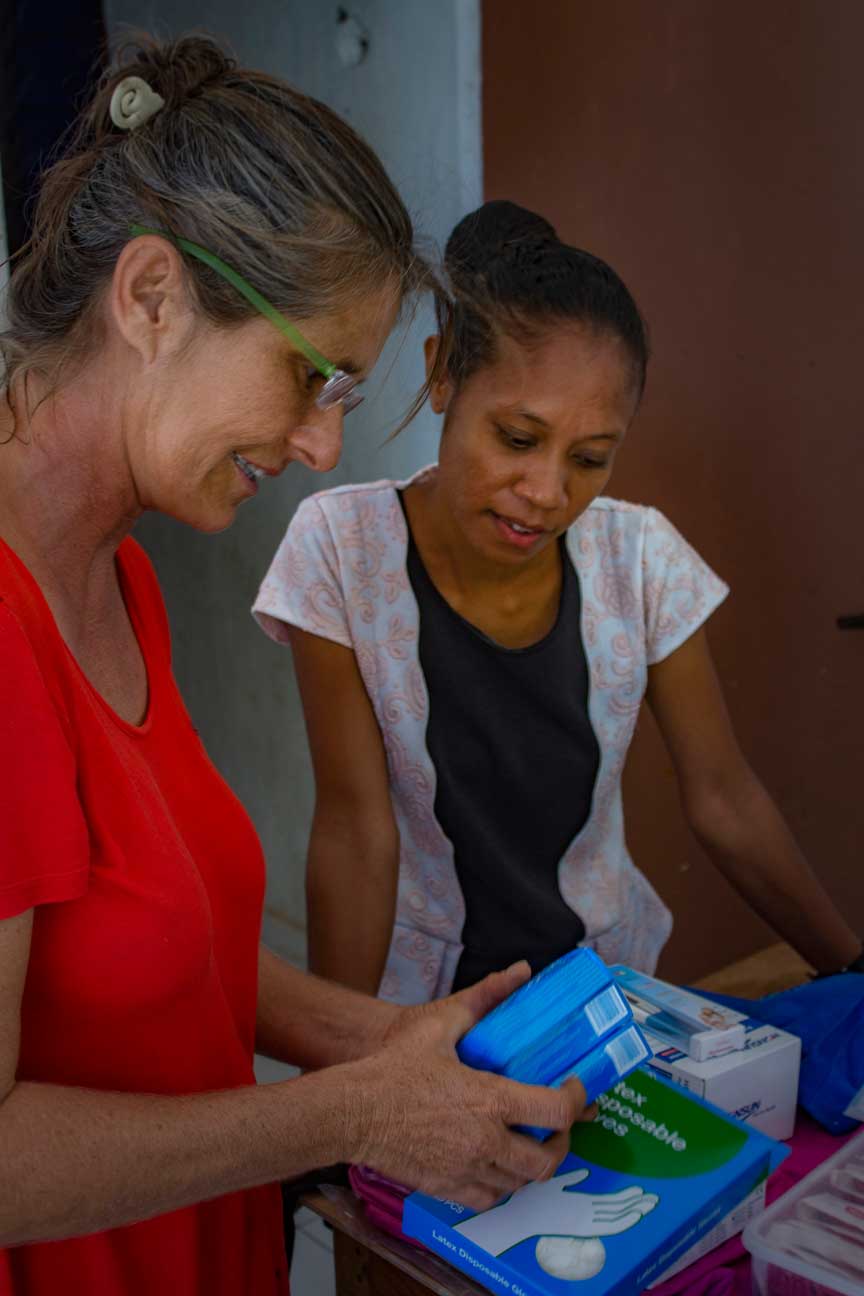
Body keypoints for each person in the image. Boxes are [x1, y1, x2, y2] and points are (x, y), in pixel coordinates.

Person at [0, 47, 587, 1296]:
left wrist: (390, 1045)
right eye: (305, 376)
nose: (322, 444)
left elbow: (158, 950)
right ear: (153, 297)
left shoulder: (115, 572)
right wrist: (349, 1115)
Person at [253, 200, 863, 1005]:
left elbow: (723, 797)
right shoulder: (340, 550)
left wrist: (850, 970)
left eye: (590, 458)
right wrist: (343, 1072)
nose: (546, 492)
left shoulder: (639, 558)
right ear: (442, 375)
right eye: (516, 439)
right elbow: (356, 832)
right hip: (417, 1010)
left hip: (606, 1000)